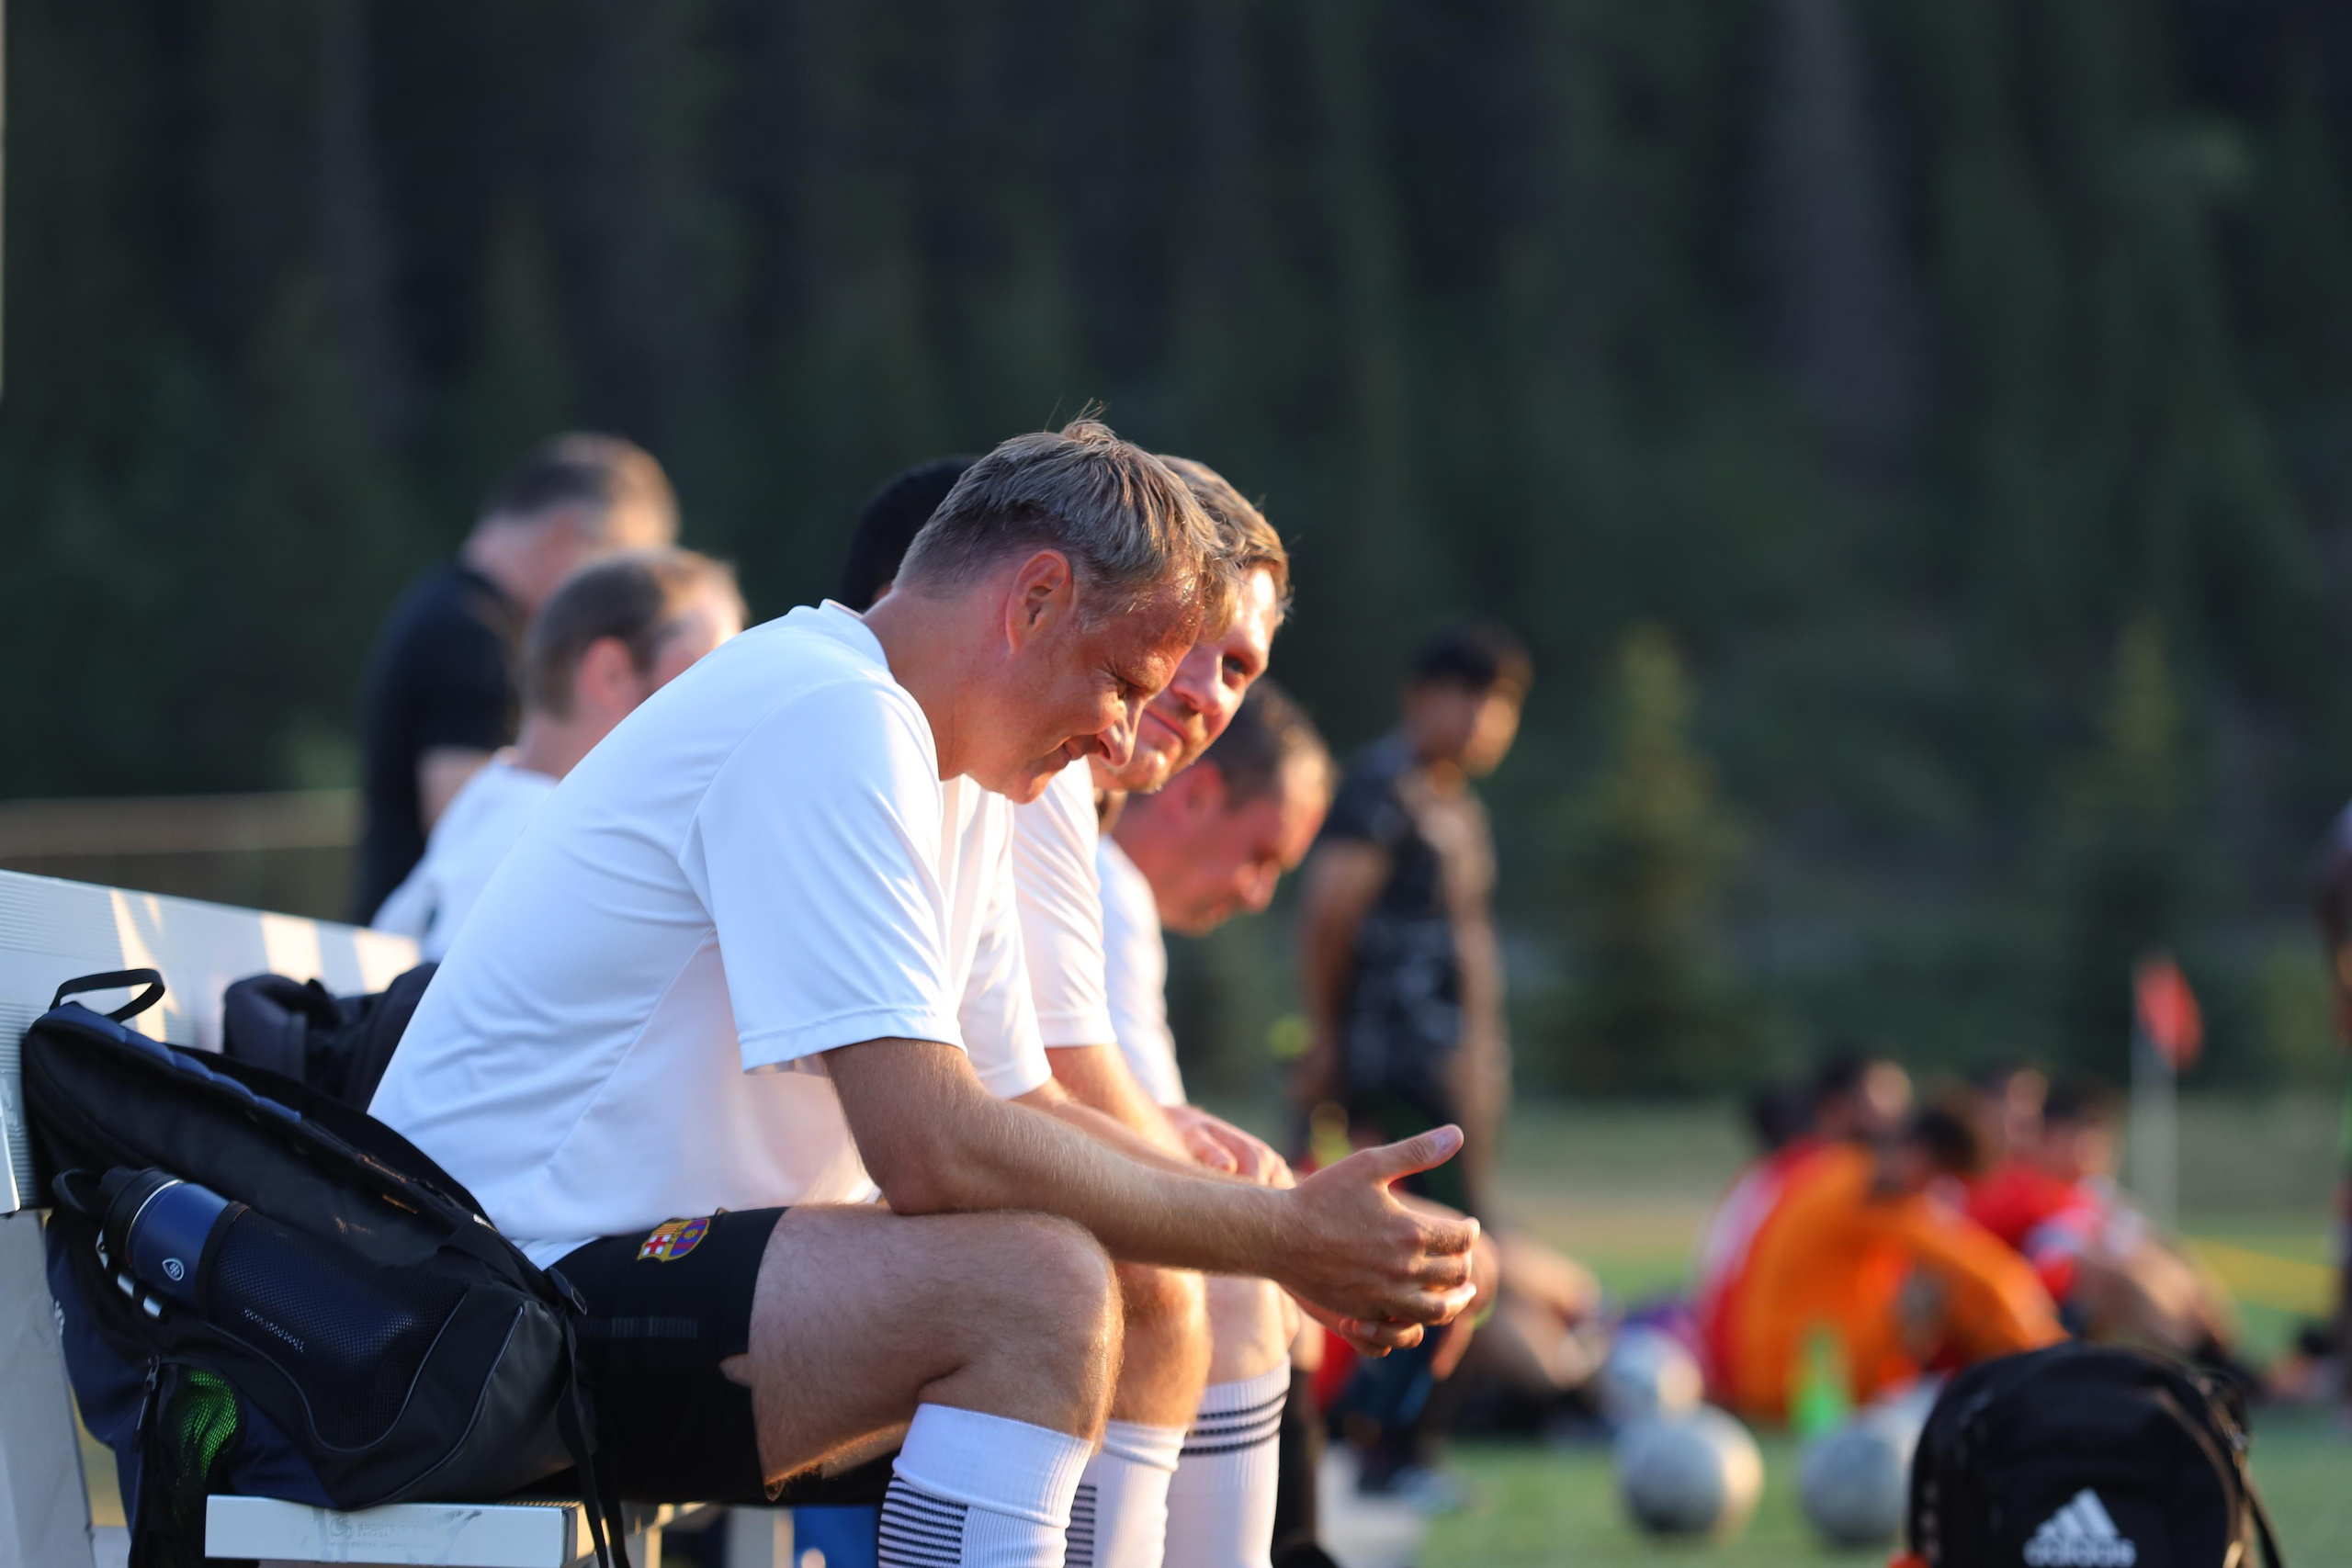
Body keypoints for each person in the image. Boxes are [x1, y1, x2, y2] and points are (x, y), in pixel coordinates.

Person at [369, 420, 1478, 1568]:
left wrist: (1282, 1234)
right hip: (473, 1303)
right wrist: (1282, 1235)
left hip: (583, 1269)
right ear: (1034, 598)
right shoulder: (829, 712)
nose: (1117, 732)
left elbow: (1024, 1106)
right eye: (1119, 681)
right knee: (1029, 1290)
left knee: (1136, 1279)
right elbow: (930, 1149)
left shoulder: (952, 769)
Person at [354, 434, 679, 919]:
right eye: (618, 571)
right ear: (563, 538)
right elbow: (469, 827)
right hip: (426, 961)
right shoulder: (475, 637)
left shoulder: (448, 608)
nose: (627, 609)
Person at [371, 549, 745, 958]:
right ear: (611, 675)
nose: (730, 710)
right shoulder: (566, 863)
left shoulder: (492, 806)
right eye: (706, 673)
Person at [1295, 624, 1530, 1220]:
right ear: (1420, 697)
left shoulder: (1455, 802)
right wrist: (1326, 1037)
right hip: (1391, 1067)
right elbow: (1328, 917)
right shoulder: (1381, 791)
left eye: (1501, 703)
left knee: (1461, 1236)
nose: (1486, 717)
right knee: (1414, 1240)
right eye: (1469, 695)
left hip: (1450, 1070)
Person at [1698, 1106, 2063, 1422]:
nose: (1931, 1197)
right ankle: (2048, 1378)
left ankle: (2027, 1377)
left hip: (1784, 1363)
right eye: (1937, 1181)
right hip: (1805, 1378)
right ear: (1919, 1155)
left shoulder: (1845, 1169)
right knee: (1942, 1288)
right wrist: (2051, 1341)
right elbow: (1984, 1270)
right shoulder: (1872, 1189)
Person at [1969, 1078, 2241, 1366]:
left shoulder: (2088, 1193)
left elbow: (2144, 1239)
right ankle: (2225, 1370)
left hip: (2075, 1306)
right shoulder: (2014, 1186)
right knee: (2114, 1271)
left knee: (2163, 1263)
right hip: (2035, 1311)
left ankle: (2227, 1363)